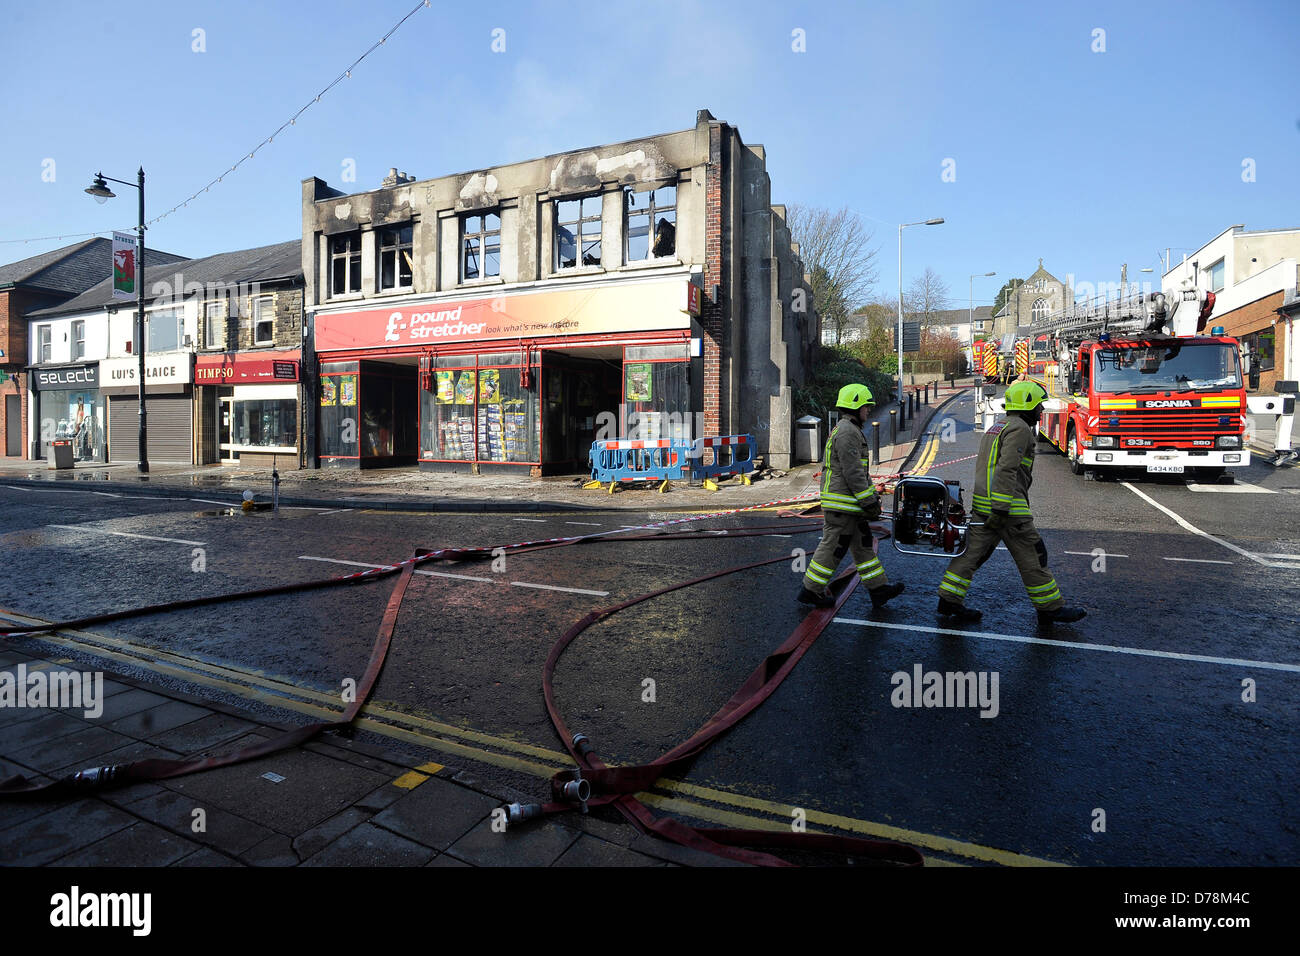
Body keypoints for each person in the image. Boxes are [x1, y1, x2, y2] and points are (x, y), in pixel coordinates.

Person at [937, 380, 1086, 626]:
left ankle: (948, 600)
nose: (1041, 411)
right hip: (1007, 511)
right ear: (1027, 406)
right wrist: (1001, 508)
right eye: (1039, 406)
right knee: (1034, 554)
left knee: (973, 554)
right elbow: (1006, 469)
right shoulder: (1019, 430)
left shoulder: (998, 426)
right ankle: (1050, 608)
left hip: (984, 507)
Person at [797, 383, 906, 610]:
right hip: (843, 505)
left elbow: (859, 471)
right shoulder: (847, 432)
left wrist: (870, 498)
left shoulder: (849, 429)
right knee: (833, 547)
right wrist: (868, 501)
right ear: (856, 407)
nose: (868, 411)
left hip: (849, 505)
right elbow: (853, 472)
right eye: (866, 407)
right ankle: (811, 590)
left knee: (863, 545)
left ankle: (878, 589)